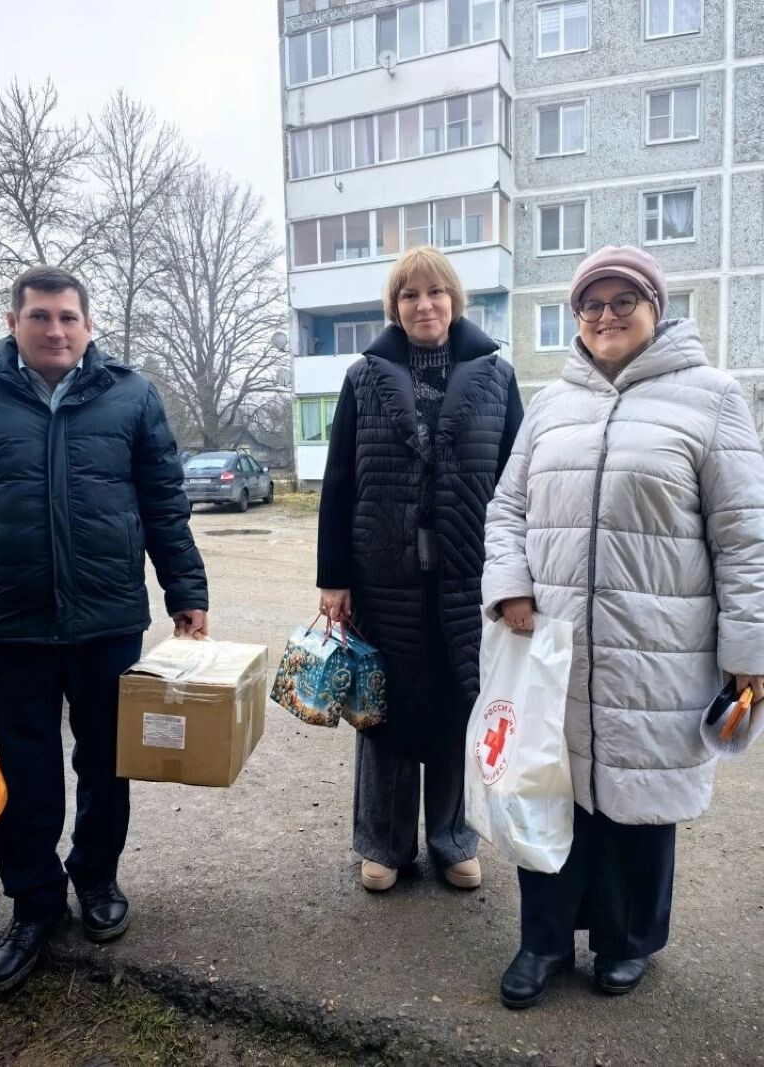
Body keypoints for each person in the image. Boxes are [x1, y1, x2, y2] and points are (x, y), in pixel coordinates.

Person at [482, 245, 764, 1008]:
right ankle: (542, 941)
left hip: (658, 647)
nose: (605, 316)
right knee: (548, 788)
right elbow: (507, 510)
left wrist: (749, 651)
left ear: (655, 308)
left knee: (639, 800)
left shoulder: (712, 398)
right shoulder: (550, 404)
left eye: (622, 301)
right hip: (556, 650)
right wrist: (510, 586)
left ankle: (626, 941)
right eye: (591, 304)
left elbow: (746, 536)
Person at [0, 266, 209, 993]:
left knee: (107, 762)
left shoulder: (130, 396)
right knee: (27, 773)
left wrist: (186, 591)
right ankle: (34, 905)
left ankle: (97, 878)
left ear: (89, 324)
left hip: (107, 620)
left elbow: (164, 503)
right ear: (13, 322)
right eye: (40, 316)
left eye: (68, 317)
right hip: (12, 624)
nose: (55, 329)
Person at [318, 246, 523, 893]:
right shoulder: (363, 378)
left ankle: (454, 839)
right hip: (384, 576)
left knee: (460, 705)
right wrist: (333, 577)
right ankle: (384, 843)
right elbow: (339, 480)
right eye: (409, 295)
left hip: (469, 578)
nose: (424, 304)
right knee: (385, 708)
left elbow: (519, 485)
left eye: (435, 292)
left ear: (455, 301)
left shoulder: (496, 377)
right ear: (395, 307)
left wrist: (519, 579)